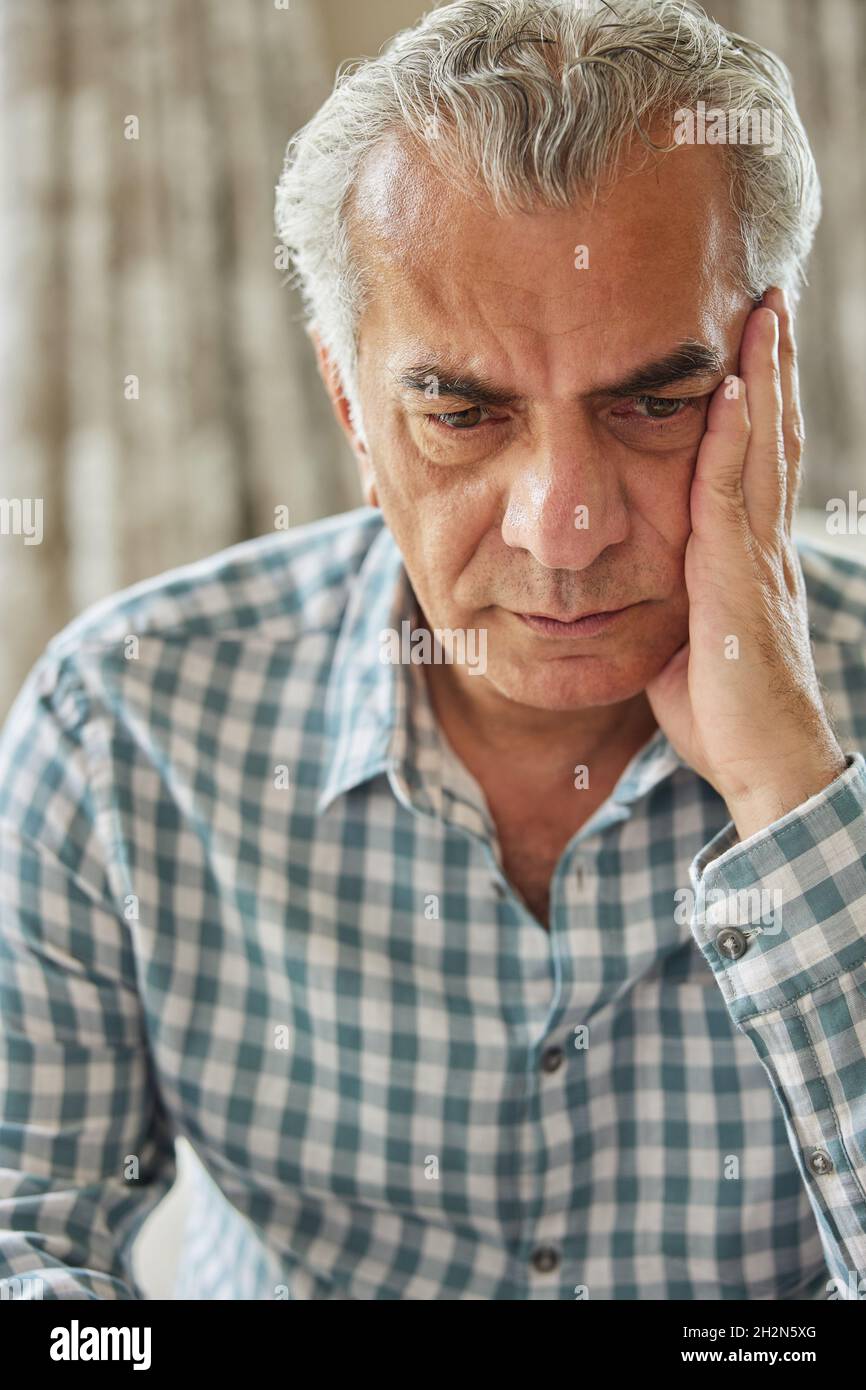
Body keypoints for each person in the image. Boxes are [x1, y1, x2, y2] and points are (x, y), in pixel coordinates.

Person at [1, 0, 865, 1301]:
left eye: (653, 403)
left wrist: (792, 793)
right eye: (463, 412)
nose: (562, 530)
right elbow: (25, 1240)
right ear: (351, 404)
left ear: (771, 380)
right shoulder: (125, 717)